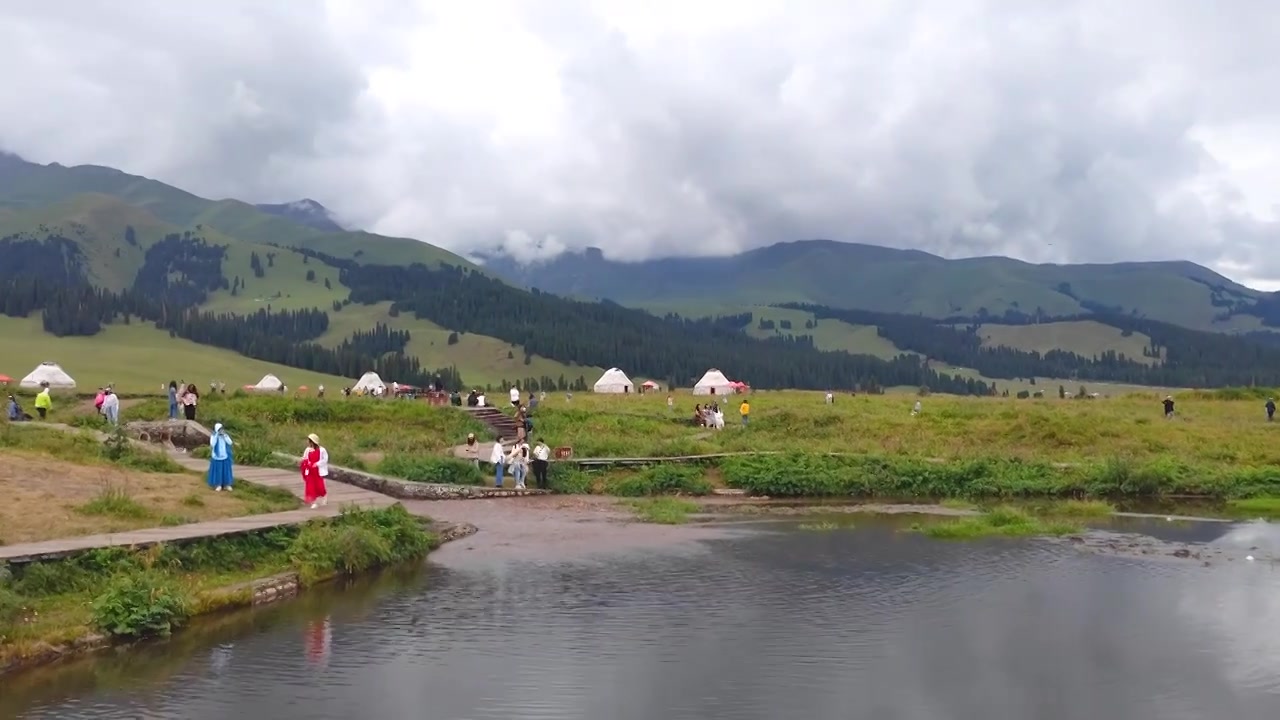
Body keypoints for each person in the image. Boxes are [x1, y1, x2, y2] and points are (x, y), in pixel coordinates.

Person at [300, 433, 329, 508]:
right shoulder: (308, 449)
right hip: (310, 470)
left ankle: (324, 496)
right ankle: (314, 502)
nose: (308, 442)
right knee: (310, 486)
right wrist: (304, 462)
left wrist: (317, 464)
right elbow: (305, 457)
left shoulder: (322, 450)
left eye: (309, 440)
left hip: (317, 471)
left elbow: (325, 459)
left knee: (320, 486)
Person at [207, 423, 234, 491]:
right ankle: (218, 485)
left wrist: (225, 436)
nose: (221, 431)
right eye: (220, 429)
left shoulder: (225, 436)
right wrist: (216, 435)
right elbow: (212, 444)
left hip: (225, 456)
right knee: (218, 471)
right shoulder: (213, 436)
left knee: (226, 471)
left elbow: (230, 442)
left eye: (222, 429)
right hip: (217, 457)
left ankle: (227, 484)